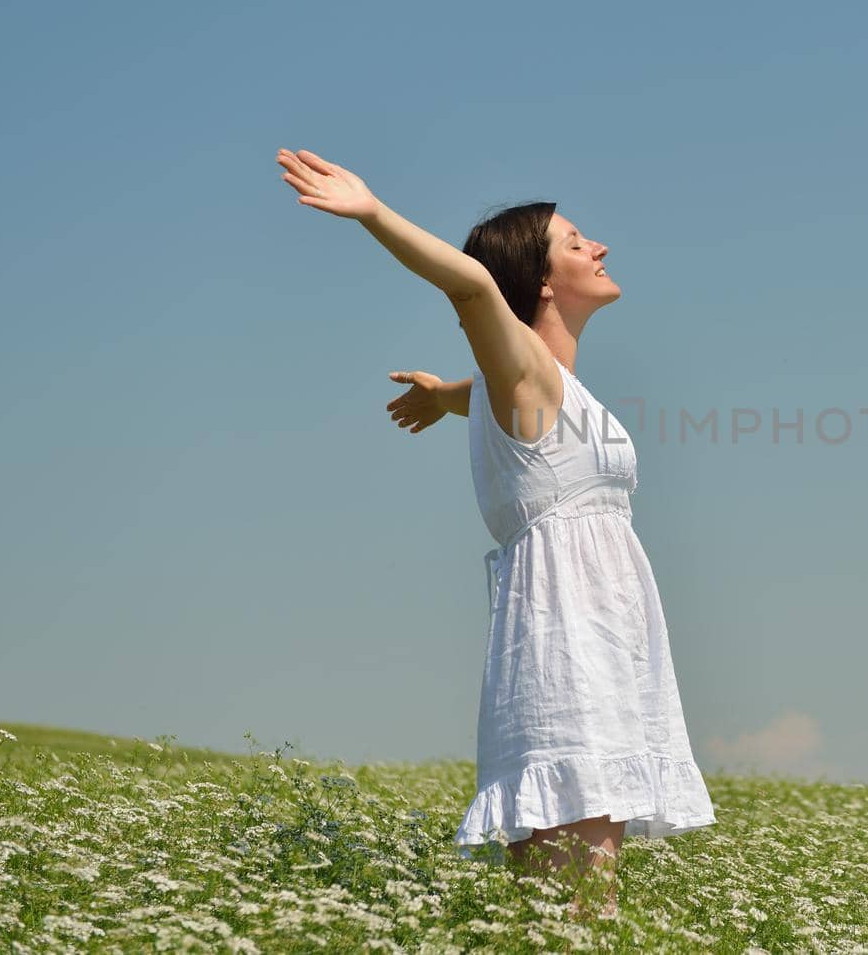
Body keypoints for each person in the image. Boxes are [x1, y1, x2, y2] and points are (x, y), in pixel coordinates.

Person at [275, 149, 717, 920]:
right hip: (568, 640)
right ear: (542, 282)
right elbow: (475, 287)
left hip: (605, 638)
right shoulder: (526, 375)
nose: (599, 247)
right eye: (576, 242)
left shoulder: (531, 385)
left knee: (579, 899)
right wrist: (373, 211)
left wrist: (447, 396)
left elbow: (492, 388)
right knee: (577, 900)